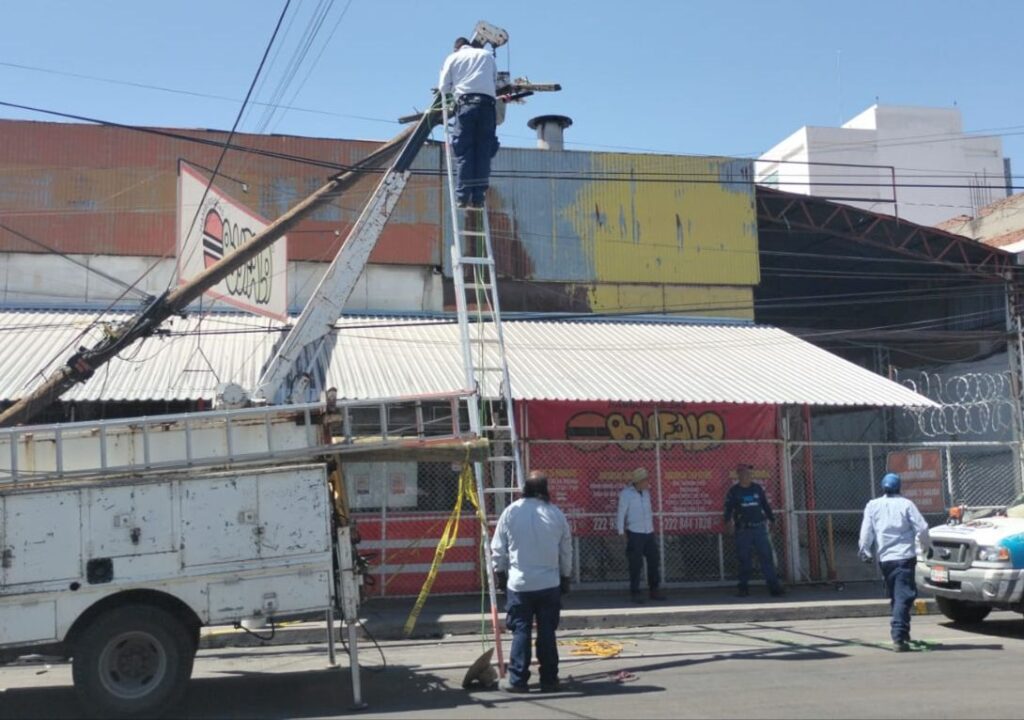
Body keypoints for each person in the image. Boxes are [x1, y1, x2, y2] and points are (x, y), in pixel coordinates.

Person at [491, 470, 573, 694]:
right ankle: (549, 679)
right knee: (547, 631)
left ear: (524, 489)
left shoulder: (511, 512)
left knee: (521, 631)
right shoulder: (555, 514)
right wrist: (566, 577)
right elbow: (566, 550)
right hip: (549, 583)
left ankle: (517, 680)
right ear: (545, 490)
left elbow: (498, 548)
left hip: (520, 584)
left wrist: (500, 574)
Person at [858, 472, 929, 652]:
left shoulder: (873, 505)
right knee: (904, 597)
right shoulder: (906, 504)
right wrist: (926, 547)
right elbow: (922, 527)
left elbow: (866, 530)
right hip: (904, 557)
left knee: (896, 596)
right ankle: (899, 635)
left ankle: (903, 632)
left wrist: (865, 549)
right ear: (899, 487)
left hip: (886, 559)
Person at [438, 36, 499, 208]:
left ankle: (462, 197)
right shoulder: (487, 55)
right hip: (487, 107)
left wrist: (456, 87)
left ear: (456, 48)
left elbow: (443, 87)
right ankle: (478, 198)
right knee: (483, 152)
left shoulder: (453, 58)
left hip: (466, 106)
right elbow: (494, 81)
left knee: (465, 151)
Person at [723, 463, 785, 597]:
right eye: (744, 473)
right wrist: (728, 523)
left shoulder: (757, 488)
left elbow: (765, 505)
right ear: (739, 475)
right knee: (744, 559)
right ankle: (743, 587)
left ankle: (773, 587)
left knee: (766, 557)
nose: (747, 475)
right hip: (743, 530)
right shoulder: (734, 491)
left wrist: (772, 519)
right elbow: (728, 509)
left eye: (749, 473)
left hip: (759, 529)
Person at [616, 467, 667, 603]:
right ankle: (635, 591)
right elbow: (621, 513)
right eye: (645, 480)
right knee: (635, 564)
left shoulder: (646, 493)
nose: (647, 482)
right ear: (638, 481)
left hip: (648, 532)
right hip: (635, 533)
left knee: (654, 561)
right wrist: (621, 532)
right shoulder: (626, 494)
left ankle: (654, 589)